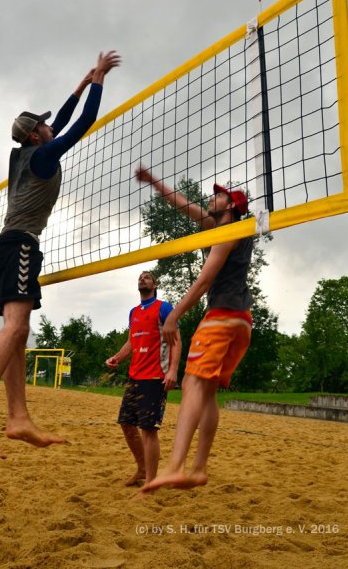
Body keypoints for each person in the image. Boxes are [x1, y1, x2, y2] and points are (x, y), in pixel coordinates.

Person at [0, 51, 121, 458]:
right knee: (14, 330)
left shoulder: (22, 153)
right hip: (20, 244)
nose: (51, 126)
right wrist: (99, 81)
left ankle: (18, 417)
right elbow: (80, 123)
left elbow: (62, 120)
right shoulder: (44, 155)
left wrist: (80, 85)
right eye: (44, 125)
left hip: (5, 246)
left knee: (19, 330)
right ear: (35, 135)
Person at [135, 166, 252, 491]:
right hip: (242, 321)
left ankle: (176, 465)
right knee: (209, 391)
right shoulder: (216, 228)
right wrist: (156, 182)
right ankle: (198, 467)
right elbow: (182, 204)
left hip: (222, 317)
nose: (211, 198)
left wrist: (174, 316)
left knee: (192, 385)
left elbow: (206, 278)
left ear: (230, 205)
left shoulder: (229, 232)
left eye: (218, 195)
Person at [105, 270, 182, 486]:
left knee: (148, 430)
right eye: (140, 277)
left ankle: (151, 481)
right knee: (127, 425)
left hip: (155, 377)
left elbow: (176, 340)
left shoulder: (164, 308)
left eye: (147, 277)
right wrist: (117, 358)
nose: (142, 279)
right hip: (135, 376)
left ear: (155, 285)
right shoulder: (134, 312)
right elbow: (132, 341)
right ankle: (142, 469)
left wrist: (173, 371)